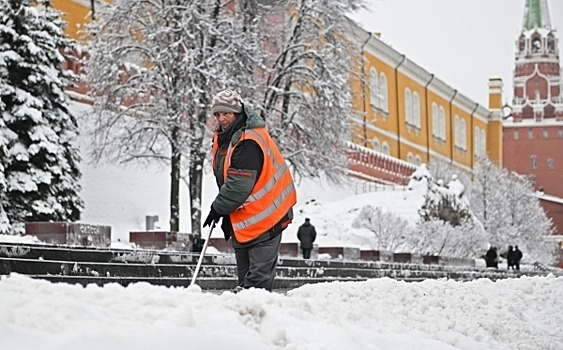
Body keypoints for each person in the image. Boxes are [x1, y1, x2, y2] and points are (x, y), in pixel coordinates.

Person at [203, 89, 297, 292]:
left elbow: (239, 185)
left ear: (237, 113)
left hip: (267, 216)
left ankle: (259, 318)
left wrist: (218, 208)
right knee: (246, 282)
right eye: (218, 114)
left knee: (256, 285)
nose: (222, 119)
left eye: (226, 113)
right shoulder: (227, 139)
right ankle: (244, 319)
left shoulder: (247, 141)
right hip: (246, 219)